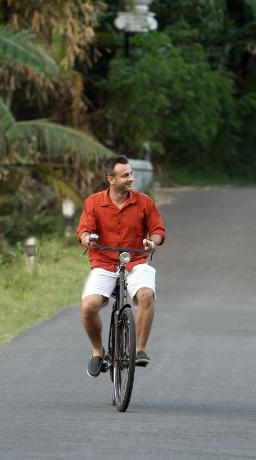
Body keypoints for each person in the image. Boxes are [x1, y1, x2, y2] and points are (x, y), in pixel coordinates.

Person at [77, 155, 165, 377]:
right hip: (103, 262)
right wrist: (87, 238)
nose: (131, 179)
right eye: (125, 175)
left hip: (135, 260)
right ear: (111, 179)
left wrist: (151, 242)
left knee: (146, 294)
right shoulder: (94, 202)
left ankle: (139, 350)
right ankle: (98, 351)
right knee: (88, 307)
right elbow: (83, 230)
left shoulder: (144, 202)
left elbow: (158, 231)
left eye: (131, 174)